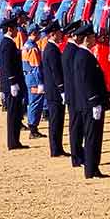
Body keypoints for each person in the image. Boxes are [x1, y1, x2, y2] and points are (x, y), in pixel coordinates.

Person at [72, 22, 110, 179]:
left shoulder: (84, 55)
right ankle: (91, 168)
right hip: (90, 103)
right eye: (93, 36)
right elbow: (87, 81)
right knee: (92, 136)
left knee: (94, 136)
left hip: (89, 102)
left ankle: (93, 166)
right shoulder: (84, 56)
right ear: (87, 38)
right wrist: (95, 101)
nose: (95, 39)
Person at [0, 16, 27, 150]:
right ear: (10, 29)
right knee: (13, 113)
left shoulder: (9, 43)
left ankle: (15, 140)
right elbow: (7, 65)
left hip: (13, 83)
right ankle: (12, 141)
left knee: (16, 113)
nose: (17, 30)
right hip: (11, 84)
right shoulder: (7, 43)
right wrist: (12, 82)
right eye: (15, 28)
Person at [40, 20, 68, 157]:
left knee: (58, 120)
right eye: (58, 32)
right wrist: (62, 89)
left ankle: (57, 147)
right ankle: (56, 149)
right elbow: (56, 72)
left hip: (53, 90)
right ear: (53, 34)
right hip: (55, 91)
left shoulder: (51, 48)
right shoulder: (51, 50)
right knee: (56, 120)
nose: (61, 34)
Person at [61, 20, 84, 168]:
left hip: (74, 94)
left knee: (78, 126)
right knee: (76, 127)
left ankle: (78, 154)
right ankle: (76, 156)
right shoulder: (71, 51)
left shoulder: (71, 49)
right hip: (75, 95)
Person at [22, 24, 46, 139]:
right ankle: (33, 128)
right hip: (34, 79)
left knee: (32, 102)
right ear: (33, 33)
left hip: (29, 77)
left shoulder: (27, 44)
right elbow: (36, 66)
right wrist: (40, 82)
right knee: (35, 102)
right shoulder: (32, 47)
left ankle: (33, 127)